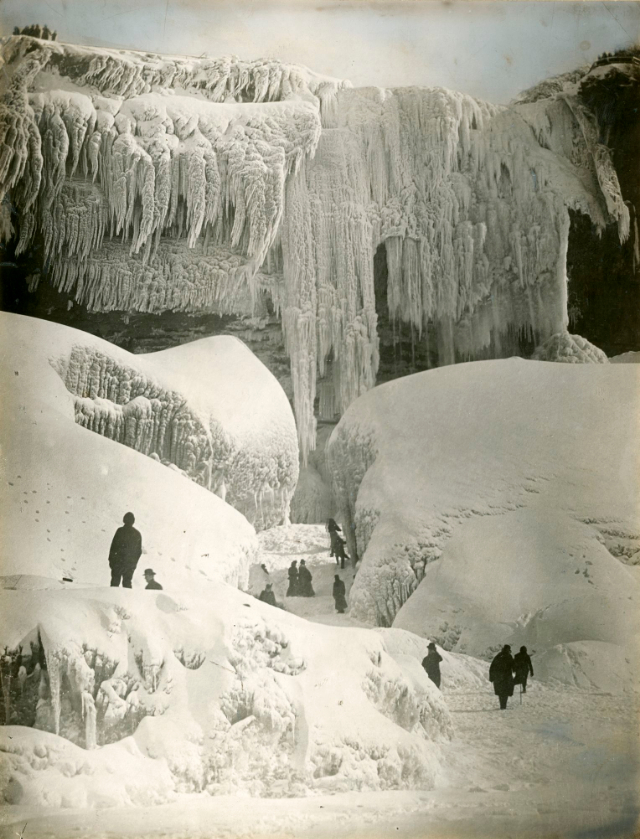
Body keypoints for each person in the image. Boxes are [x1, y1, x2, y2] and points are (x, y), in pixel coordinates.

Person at [109, 512, 142, 588]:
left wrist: (111, 561)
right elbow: (138, 552)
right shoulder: (137, 534)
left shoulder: (120, 531)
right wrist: (133, 564)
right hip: (129, 565)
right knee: (127, 585)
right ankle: (128, 600)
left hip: (117, 564)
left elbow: (113, 548)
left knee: (114, 584)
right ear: (133, 521)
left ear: (124, 520)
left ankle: (113, 600)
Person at [489, 645, 516, 710]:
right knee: (505, 692)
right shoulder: (509, 656)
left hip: (498, 677)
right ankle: (503, 706)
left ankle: (502, 705)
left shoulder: (498, 656)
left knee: (500, 691)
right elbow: (514, 667)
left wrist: (492, 677)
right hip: (507, 677)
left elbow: (492, 667)